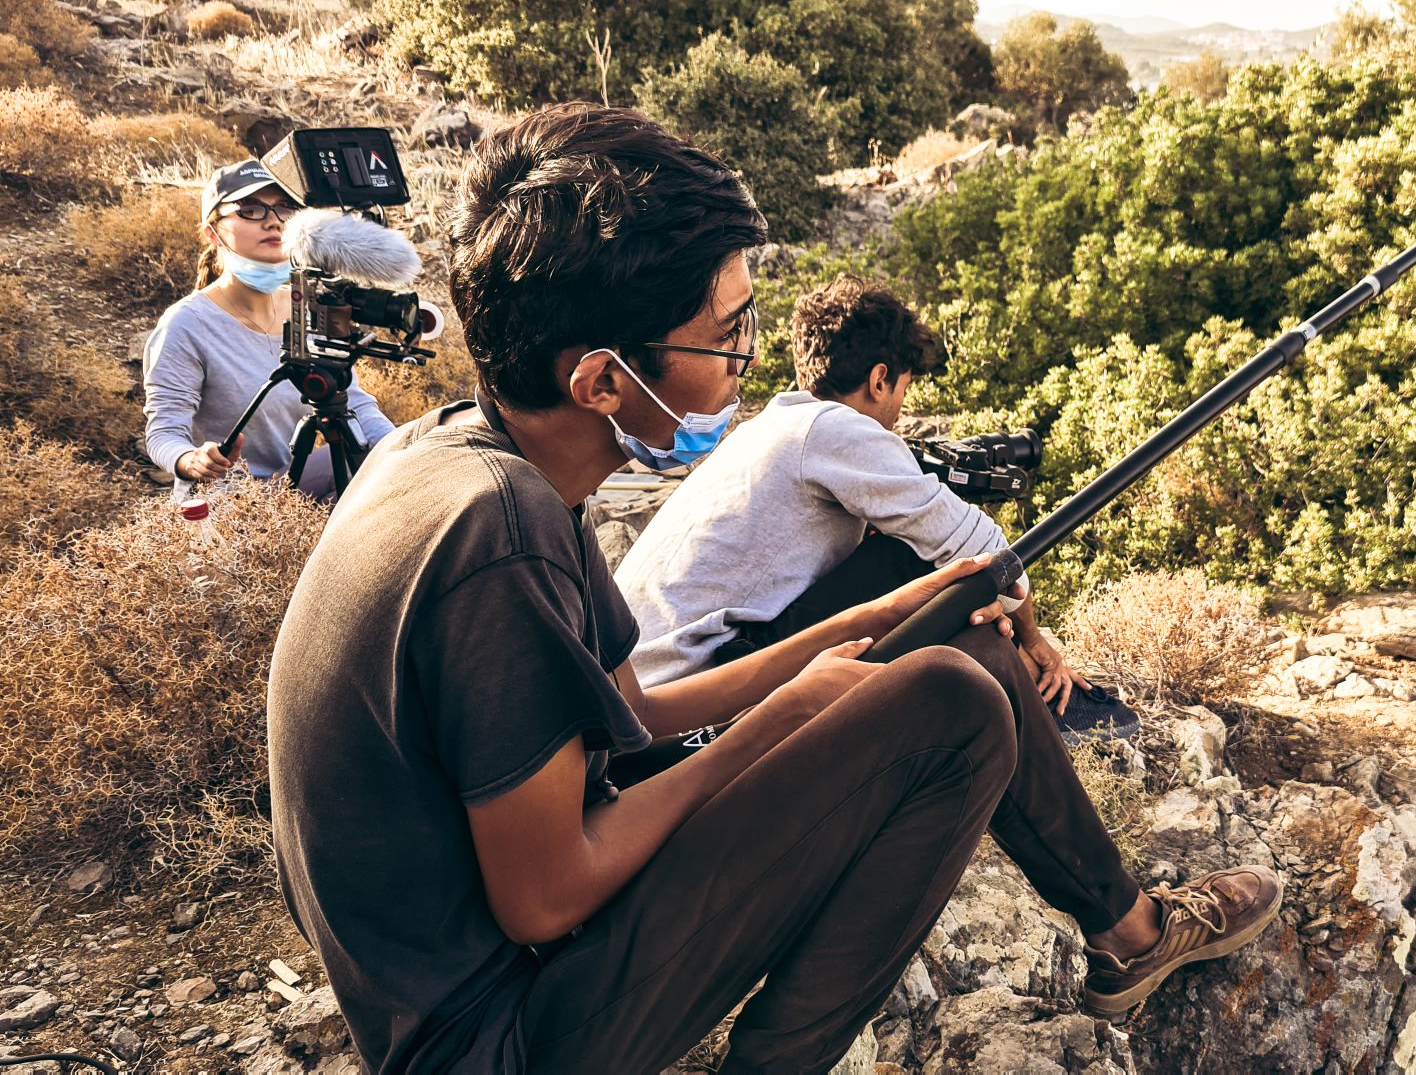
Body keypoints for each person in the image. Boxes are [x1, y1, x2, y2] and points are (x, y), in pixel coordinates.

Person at [267, 104, 1280, 1075]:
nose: (747, 363)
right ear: (603, 381)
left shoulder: (466, 453)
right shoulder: (502, 533)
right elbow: (547, 897)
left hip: (504, 977)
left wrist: (871, 620)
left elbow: (631, 710)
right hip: (501, 1039)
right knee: (960, 708)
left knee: (951, 645)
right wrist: (782, 713)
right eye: (727, 335)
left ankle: (1129, 933)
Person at [617, 274, 1140, 743]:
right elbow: (982, 551)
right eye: (903, 391)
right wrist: (1036, 640)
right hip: (696, 689)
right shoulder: (835, 427)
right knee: (925, 563)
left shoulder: (773, 428)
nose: (899, 408)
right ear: (880, 379)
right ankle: (1039, 699)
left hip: (643, 687)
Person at [142, 159, 397, 501]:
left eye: (285, 208)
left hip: (290, 488)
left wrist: (403, 452)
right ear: (212, 232)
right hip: (228, 504)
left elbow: (354, 402)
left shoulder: (309, 308)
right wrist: (191, 460)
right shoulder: (186, 324)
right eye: (250, 210)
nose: (274, 222)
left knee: (386, 470)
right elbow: (163, 432)